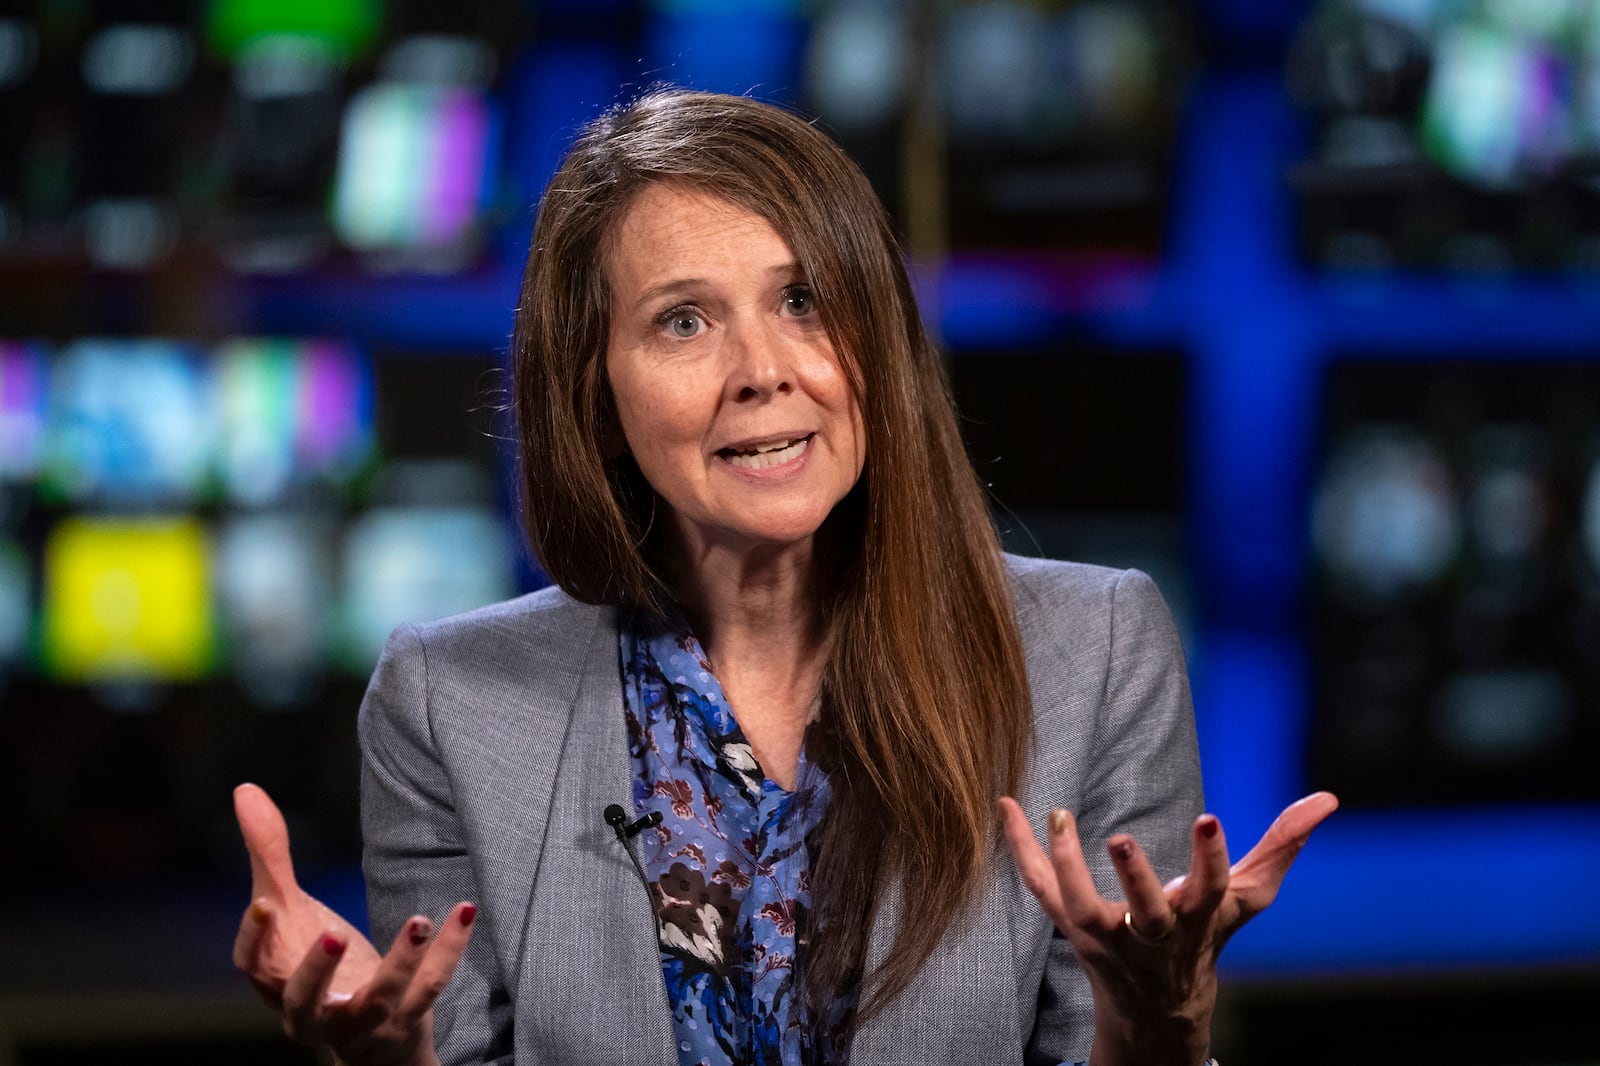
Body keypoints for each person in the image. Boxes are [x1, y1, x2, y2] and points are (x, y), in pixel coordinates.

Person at [232, 87, 1337, 1066]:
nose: (763, 372)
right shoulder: (449, 703)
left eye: (804, 299)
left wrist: (1161, 1025)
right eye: (683, 320)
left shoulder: (1094, 652)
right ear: (595, 397)